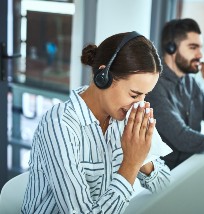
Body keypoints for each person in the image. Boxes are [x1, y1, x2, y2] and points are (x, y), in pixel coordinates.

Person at [21, 31, 171, 214]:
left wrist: (142, 158)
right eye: (134, 94)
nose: (140, 103)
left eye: (145, 95)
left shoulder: (127, 117)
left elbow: (166, 187)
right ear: (103, 76)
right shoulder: (60, 125)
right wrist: (131, 163)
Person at [145, 18, 204, 170]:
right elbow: (182, 137)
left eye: (200, 48)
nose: (200, 55)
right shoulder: (154, 86)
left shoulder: (190, 83)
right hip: (168, 178)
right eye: (193, 47)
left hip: (193, 167)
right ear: (171, 48)